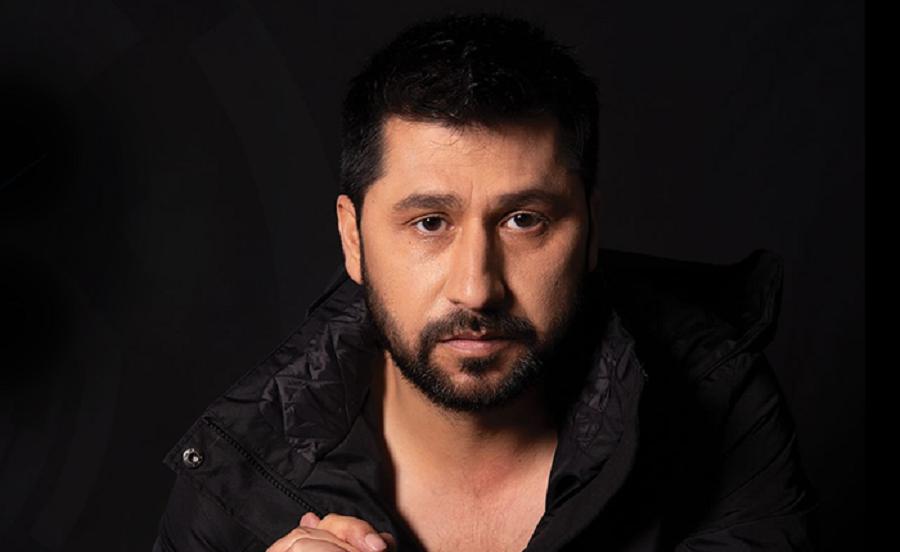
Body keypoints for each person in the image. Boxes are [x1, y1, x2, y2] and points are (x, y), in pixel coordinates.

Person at [152, 13, 817, 552]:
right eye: (429, 223)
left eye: (524, 220)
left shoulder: (713, 405)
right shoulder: (241, 473)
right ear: (353, 240)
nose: (476, 289)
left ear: (590, 231)